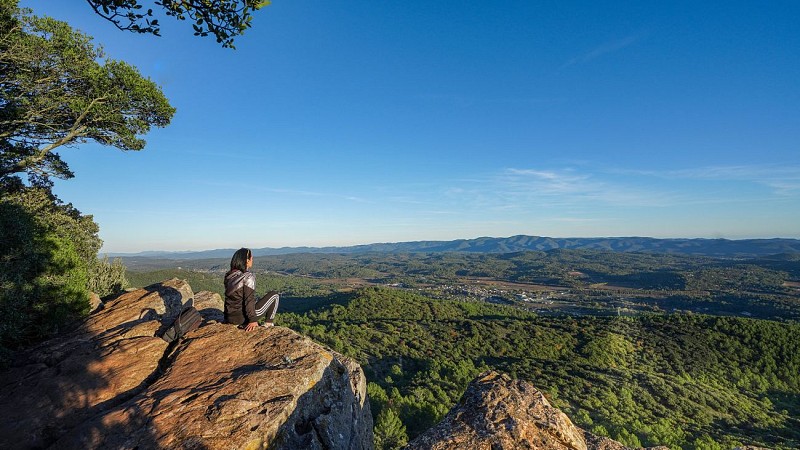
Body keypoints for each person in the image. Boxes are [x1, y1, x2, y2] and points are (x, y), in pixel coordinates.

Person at [224, 248, 280, 331]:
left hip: (230, 317)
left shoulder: (229, 276)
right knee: (274, 295)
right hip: (242, 318)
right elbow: (249, 299)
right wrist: (252, 320)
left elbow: (229, 299)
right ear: (247, 260)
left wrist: (226, 318)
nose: (252, 259)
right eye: (251, 258)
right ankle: (268, 324)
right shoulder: (248, 277)